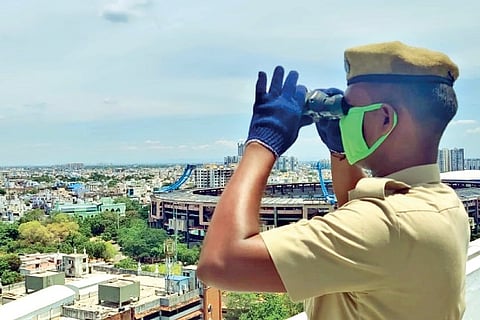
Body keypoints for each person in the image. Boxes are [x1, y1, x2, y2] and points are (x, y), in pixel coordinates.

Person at [197, 41, 470, 319]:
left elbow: (220, 263)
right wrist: (341, 151)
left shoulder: (390, 226)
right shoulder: (444, 204)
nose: (343, 118)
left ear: (385, 118)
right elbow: (359, 217)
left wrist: (262, 141)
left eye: (348, 109)